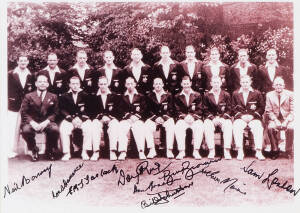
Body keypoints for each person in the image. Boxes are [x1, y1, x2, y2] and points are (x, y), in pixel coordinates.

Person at [20, 73, 59, 161]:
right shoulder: (28, 96)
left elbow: (56, 112)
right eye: (40, 81)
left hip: (47, 122)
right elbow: (24, 112)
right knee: (26, 130)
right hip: (32, 122)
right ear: (36, 84)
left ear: (48, 84)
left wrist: (46, 122)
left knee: (55, 130)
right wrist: (32, 122)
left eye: (44, 82)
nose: (42, 83)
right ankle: (34, 149)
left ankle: (49, 150)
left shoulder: (53, 96)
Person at [7, 54, 35, 158]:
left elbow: (32, 91)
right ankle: (9, 150)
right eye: (21, 61)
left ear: (28, 62)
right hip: (13, 105)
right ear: (17, 62)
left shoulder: (31, 75)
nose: (23, 62)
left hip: (27, 106)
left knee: (27, 127)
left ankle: (29, 149)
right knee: (11, 128)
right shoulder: (10, 74)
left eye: (25, 61)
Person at [59, 76, 93, 161]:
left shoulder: (85, 95)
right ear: (69, 85)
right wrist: (71, 119)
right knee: (63, 128)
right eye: (73, 84)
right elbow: (62, 109)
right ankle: (67, 153)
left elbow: (89, 110)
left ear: (80, 84)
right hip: (70, 119)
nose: (75, 86)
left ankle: (84, 151)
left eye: (77, 84)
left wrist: (81, 119)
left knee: (89, 127)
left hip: (82, 119)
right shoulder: (64, 96)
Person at [232, 75, 265, 160]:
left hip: (253, 117)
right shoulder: (235, 93)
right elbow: (232, 107)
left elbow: (261, 107)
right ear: (240, 83)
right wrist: (241, 116)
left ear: (250, 83)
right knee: (236, 126)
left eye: (247, 82)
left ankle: (258, 151)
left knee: (258, 127)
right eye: (243, 82)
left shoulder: (257, 93)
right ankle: (240, 150)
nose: (245, 84)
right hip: (241, 117)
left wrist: (252, 115)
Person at [90, 76, 122, 161]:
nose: (103, 86)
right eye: (101, 84)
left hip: (111, 118)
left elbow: (118, 111)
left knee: (114, 125)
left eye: (105, 84)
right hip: (99, 119)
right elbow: (92, 111)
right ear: (98, 85)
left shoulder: (114, 95)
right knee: (94, 125)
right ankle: (96, 151)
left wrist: (109, 117)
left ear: (108, 84)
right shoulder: (94, 96)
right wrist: (101, 117)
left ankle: (112, 151)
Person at [174, 76, 204, 160]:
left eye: (187, 83)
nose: (186, 85)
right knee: (179, 126)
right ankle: (181, 151)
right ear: (181, 84)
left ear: (190, 83)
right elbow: (177, 110)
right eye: (184, 84)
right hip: (183, 119)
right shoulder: (177, 96)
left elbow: (200, 109)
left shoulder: (197, 95)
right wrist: (184, 117)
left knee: (199, 126)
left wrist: (192, 116)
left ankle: (196, 151)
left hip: (194, 119)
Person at [145, 77, 175, 159]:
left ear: (162, 84)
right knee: (147, 125)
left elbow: (171, 109)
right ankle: (151, 150)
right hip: (154, 119)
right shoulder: (149, 95)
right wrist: (155, 118)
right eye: (156, 84)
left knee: (171, 124)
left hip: (165, 118)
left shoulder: (168, 95)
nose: (158, 85)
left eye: (159, 83)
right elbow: (148, 110)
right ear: (153, 85)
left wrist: (163, 118)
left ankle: (169, 150)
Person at [203, 76, 233, 159]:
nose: (216, 84)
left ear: (221, 83)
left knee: (228, 125)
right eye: (214, 82)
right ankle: (211, 150)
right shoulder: (207, 95)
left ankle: (227, 150)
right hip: (211, 118)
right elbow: (205, 110)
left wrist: (223, 118)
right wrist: (213, 118)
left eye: (217, 82)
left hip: (223, 118)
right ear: (211, 83)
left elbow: (229, 109)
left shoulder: (226, 94)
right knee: (207, 125)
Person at [118, 77, 147, 160]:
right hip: (126, 119)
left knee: (139, 127)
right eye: (128, 84)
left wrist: (136, 116)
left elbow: (144, 109)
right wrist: (129, 116)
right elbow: (120, 109)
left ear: (135, 84)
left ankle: (141, 151)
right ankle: (123, 152)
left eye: (131, 84)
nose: (130, 86)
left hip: (137, 119)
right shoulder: (122, 96)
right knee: (121, 127)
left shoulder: (140, 96)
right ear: (125, 85)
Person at [265, 77, 294, 159]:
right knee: (270, 127)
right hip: (275, 118)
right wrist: (275, 120)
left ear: (284, 85)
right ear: (273, 86)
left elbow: (293, 111)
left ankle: (288, 150)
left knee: (291, 128)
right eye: (276, 84)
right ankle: (275, 150)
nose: (278, 86)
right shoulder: (269, 95)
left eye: (280, 85)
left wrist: (286, 121)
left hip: (288, 118)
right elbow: (268, 110)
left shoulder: (291, 94)